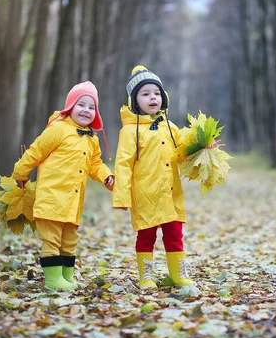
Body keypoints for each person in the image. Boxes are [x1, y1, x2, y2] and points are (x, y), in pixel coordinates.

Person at [113, 65, 222, 290]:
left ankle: (177, 274)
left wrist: (205, 149)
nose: (152, 98)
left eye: (156, 93)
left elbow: (183, 153)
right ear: (135, 101)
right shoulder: (130, 131)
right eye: (145, 94)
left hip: (171, 194)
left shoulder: (170, 127)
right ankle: (146, 276)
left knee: (174, 234)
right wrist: (122, 197)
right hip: (146, 194)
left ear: (163, 98)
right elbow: (123, 165)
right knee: (146, 236)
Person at [12, 81, 114, 292]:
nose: (86, 110)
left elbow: (95, 163)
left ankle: (67, 277)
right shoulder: (58, 129)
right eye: (81, 105)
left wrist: (106, 176)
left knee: (69, 241)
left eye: (91, 107)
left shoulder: (92, 138)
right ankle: (53, 280)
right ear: (70, 107)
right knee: (52, 240)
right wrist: (20, 173)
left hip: (73, 201)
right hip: (51, 197)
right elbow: (35, 152)